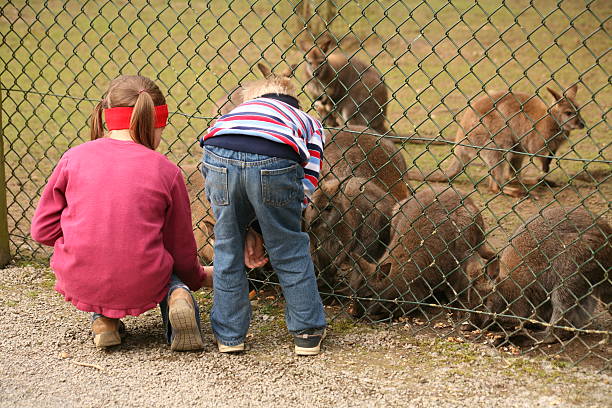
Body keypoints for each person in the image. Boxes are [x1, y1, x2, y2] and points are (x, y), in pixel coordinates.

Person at [31, 75, 212, 351]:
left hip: (81, 276)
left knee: (103, 254)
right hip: (143, 277)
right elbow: (180, 247)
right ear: (156, 124)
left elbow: (41, 231)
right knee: (163, 264)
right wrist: (196, 277)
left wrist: (82, 232)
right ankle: (178, 296)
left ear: (106, 115)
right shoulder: (167, 171)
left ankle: (104, 321)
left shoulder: (73, 158)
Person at [200, 69, 327, 355]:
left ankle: (230, 337)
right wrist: (288, 214)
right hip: (276, 159)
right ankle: (306, 332)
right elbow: (309, 177)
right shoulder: (307, 121)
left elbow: (207, 162)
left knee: (227, 248)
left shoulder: (234, 114)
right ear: (293, 100)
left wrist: (236, 221)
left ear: (253, 98)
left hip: (218, 152)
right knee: (289, 246)